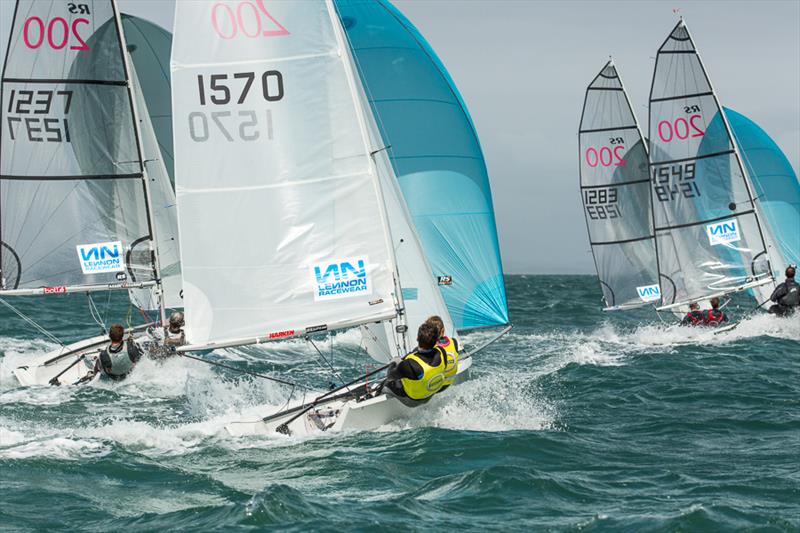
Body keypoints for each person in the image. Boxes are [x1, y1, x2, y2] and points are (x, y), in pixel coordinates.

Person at [384, 322, 446, 404]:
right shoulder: (442, 352)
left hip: (412, 400)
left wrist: (394, 363)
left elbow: (390, 376)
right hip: (431, 393)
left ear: (417, 338)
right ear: (436, 341)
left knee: (386, 385)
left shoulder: (408, 365)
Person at [426, 315, 459, 389]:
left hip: (436, 385)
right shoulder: (454, 342)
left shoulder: (429, 346)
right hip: (449, 382)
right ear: (443, 330)